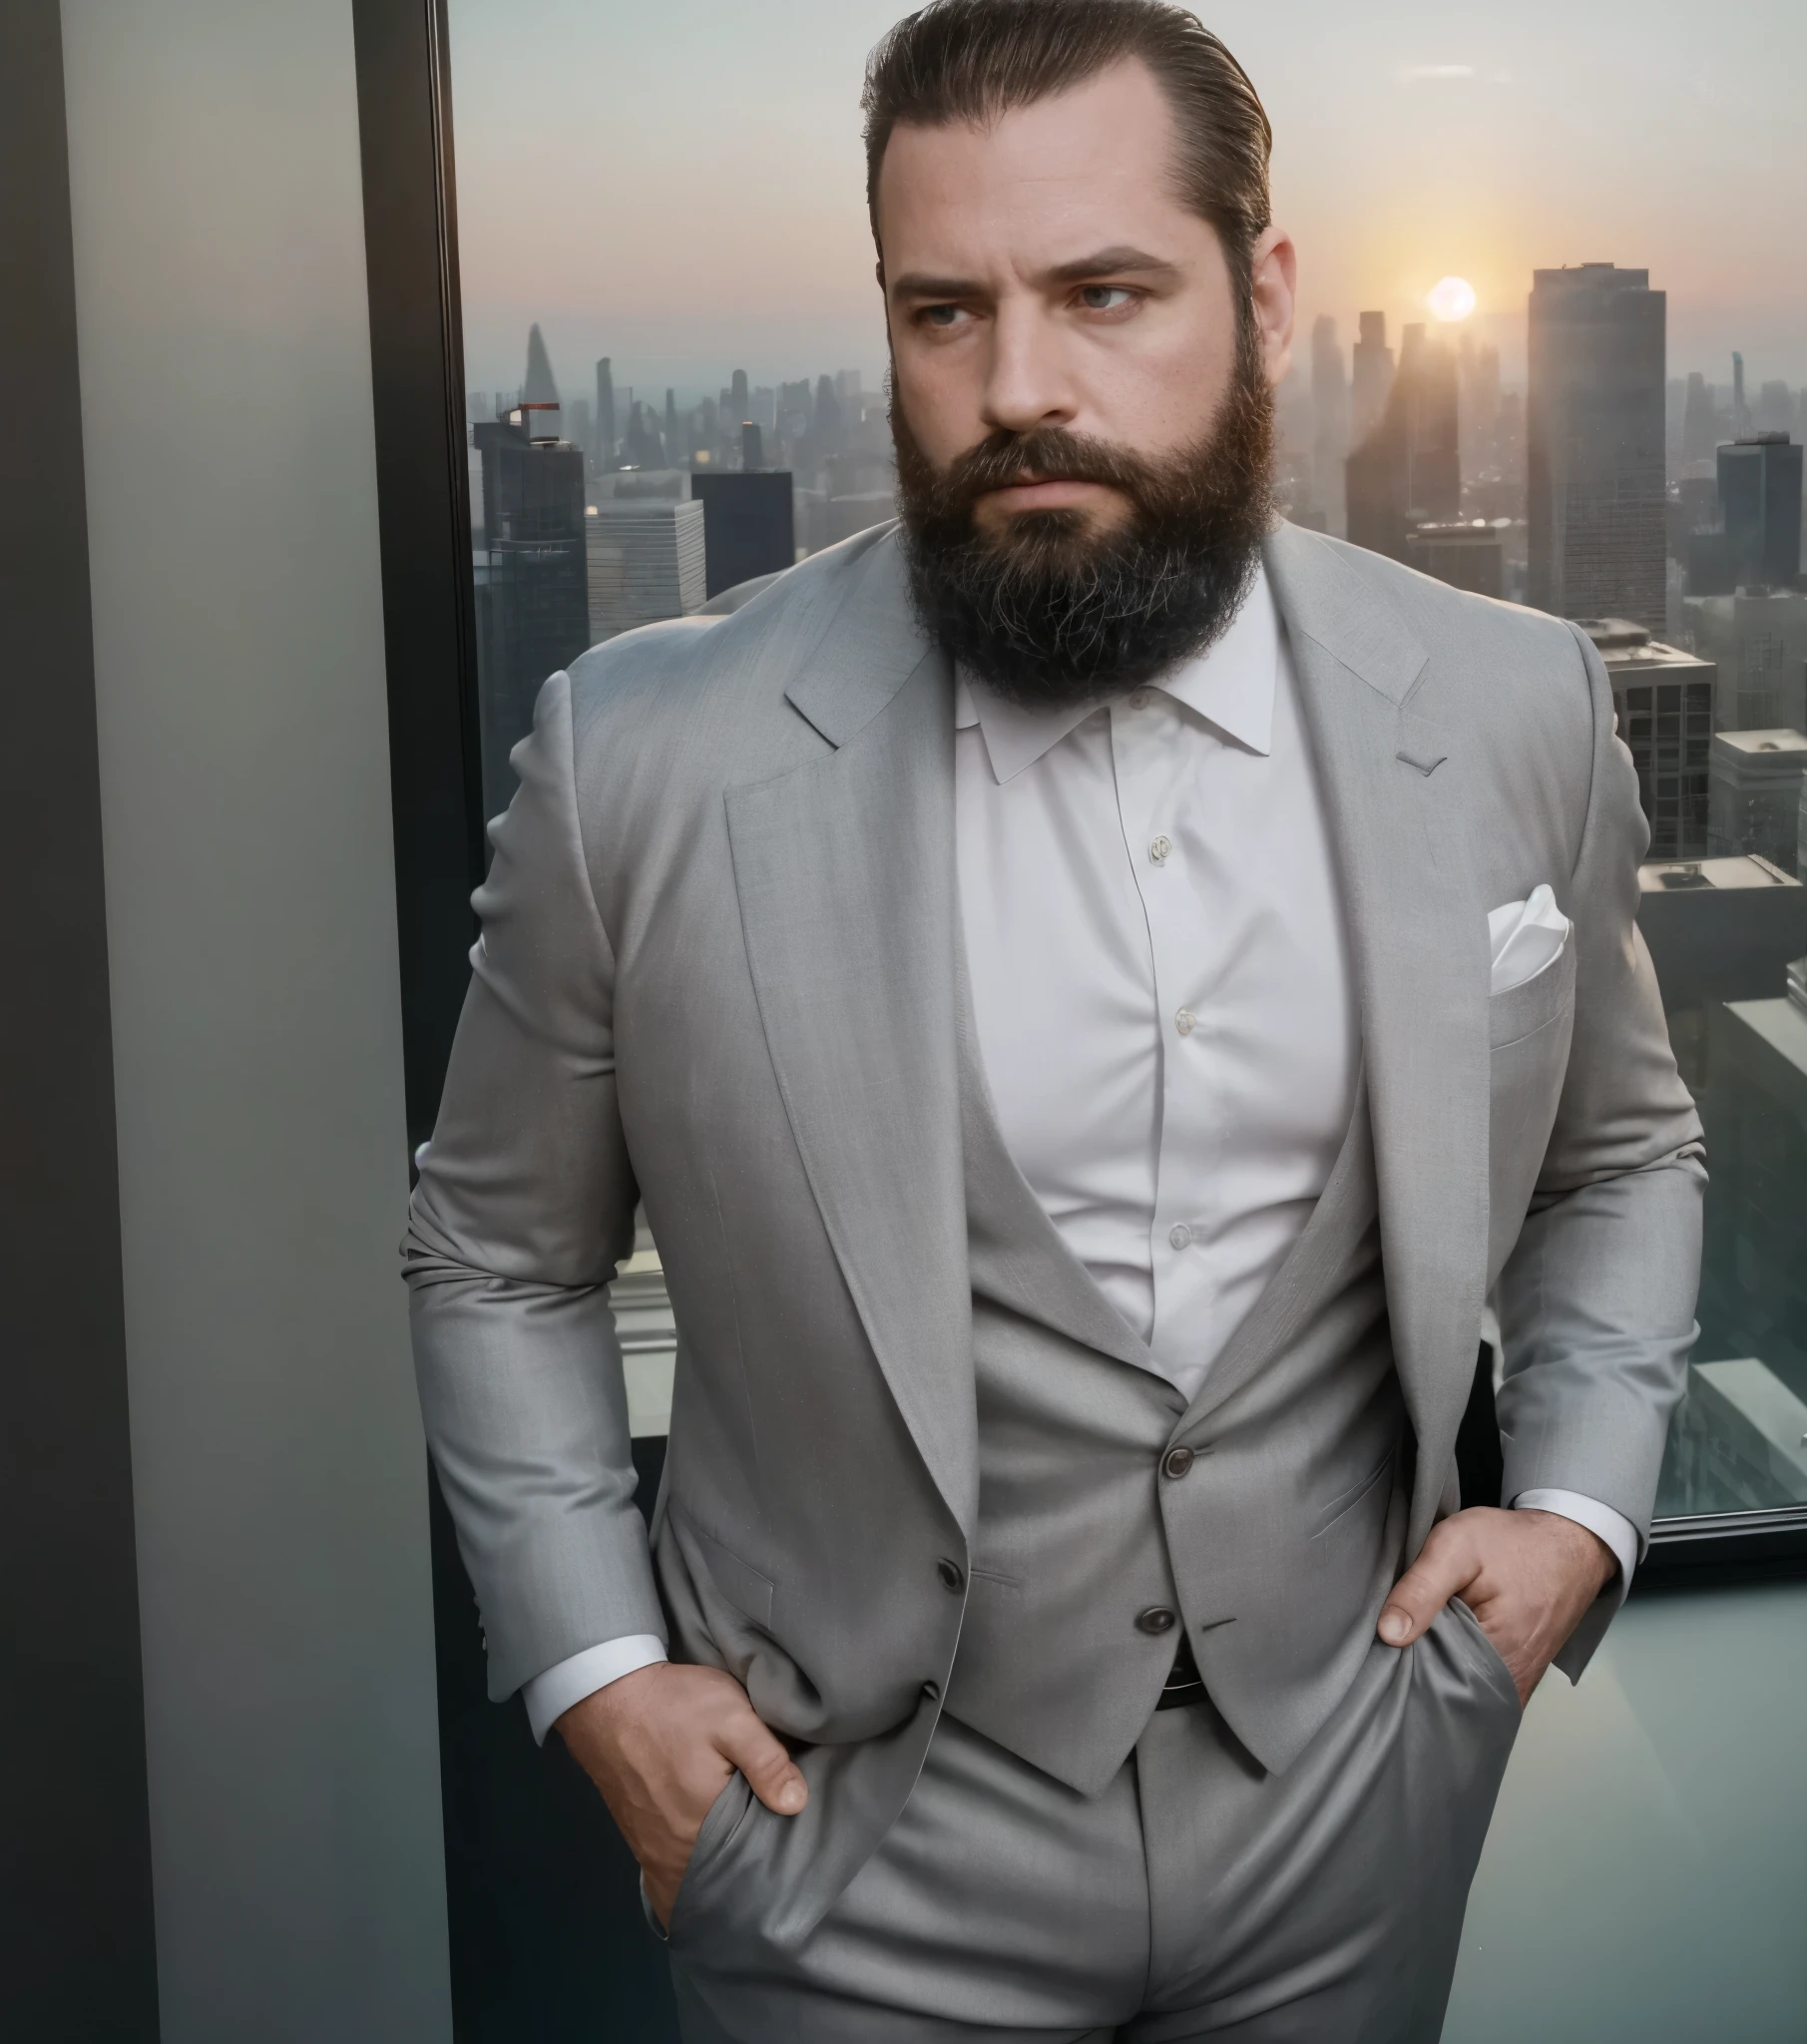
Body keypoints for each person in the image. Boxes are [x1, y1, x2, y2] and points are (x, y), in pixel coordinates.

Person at [402, 1, 1705, 2035]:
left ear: (1265, 295)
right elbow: (492, 1246)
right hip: (846, 1837)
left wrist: (1572, 1515)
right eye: (945, 313)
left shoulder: (1508, 702)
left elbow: (1620, 1146)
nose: (1021, 387)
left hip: (1351, 1796)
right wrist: (596, 1679)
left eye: (1106, 294)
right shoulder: (640, 758)